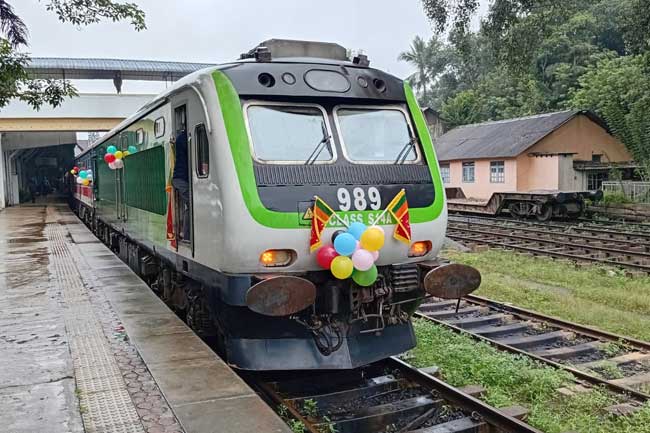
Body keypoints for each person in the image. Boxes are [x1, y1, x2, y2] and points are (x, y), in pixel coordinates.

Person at [172, 130, 190, 241]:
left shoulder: (181, 138)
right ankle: (187, 236)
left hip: (181, 178)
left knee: (188, 205)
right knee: (191, 205)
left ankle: (185, 233)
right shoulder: (184, 139)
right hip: (181, 178)